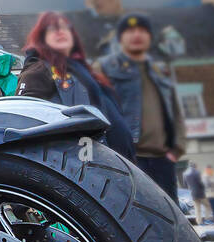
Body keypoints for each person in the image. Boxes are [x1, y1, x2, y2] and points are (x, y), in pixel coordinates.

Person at [16, 11, 134, 156]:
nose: (60, 31)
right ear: (42, 37)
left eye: (65, 27)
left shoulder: (82, 70)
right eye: (52, 28)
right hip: (80, 161)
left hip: (110, 157)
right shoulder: (39, 70)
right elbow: (24, 120)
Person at [95, 13, 186, 200]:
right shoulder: (105, 67)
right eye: (130, 31)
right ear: (120, 38)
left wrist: (177, 148)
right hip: (131, 159)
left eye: (142, 31)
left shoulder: (160, 70)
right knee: (137, 220)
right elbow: (98, 110)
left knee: (171, 219)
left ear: (150, 37)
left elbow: (175, 111)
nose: (137, 35)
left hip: (163, 160)